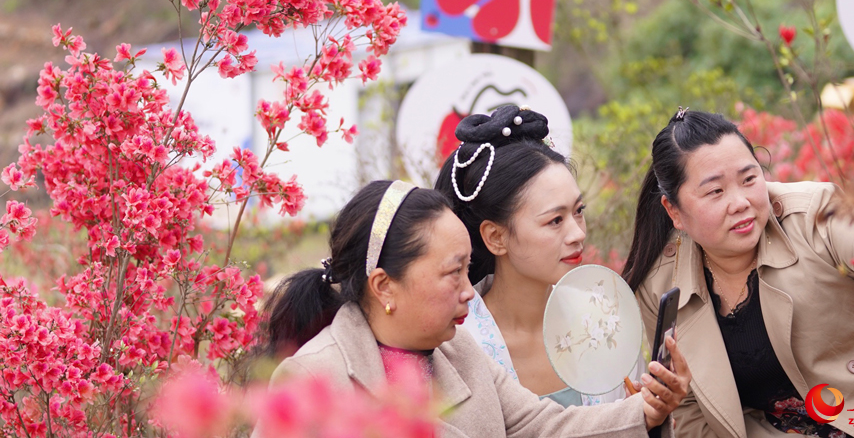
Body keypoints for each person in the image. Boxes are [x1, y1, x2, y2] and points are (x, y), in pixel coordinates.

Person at [622, 109, 854, 438]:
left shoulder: (812, 214)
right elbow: (690, 408)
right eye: (715, 192)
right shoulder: (660, 287)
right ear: (674, 212)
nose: (741, 203)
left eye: (749, 179)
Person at [258, 180, 687, 438]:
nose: (469, 292)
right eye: (452, 274)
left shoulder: (460, 352)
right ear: (385, 286)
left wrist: (646, 410)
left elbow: (544, 427)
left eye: (468, 269)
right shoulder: (314, 377)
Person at [435, 104, 679, 407]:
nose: (578, 233)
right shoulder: (455, 342)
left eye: (579, 212)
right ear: (496, 237)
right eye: (555, 221)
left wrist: (651, 414)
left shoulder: (602, 320)